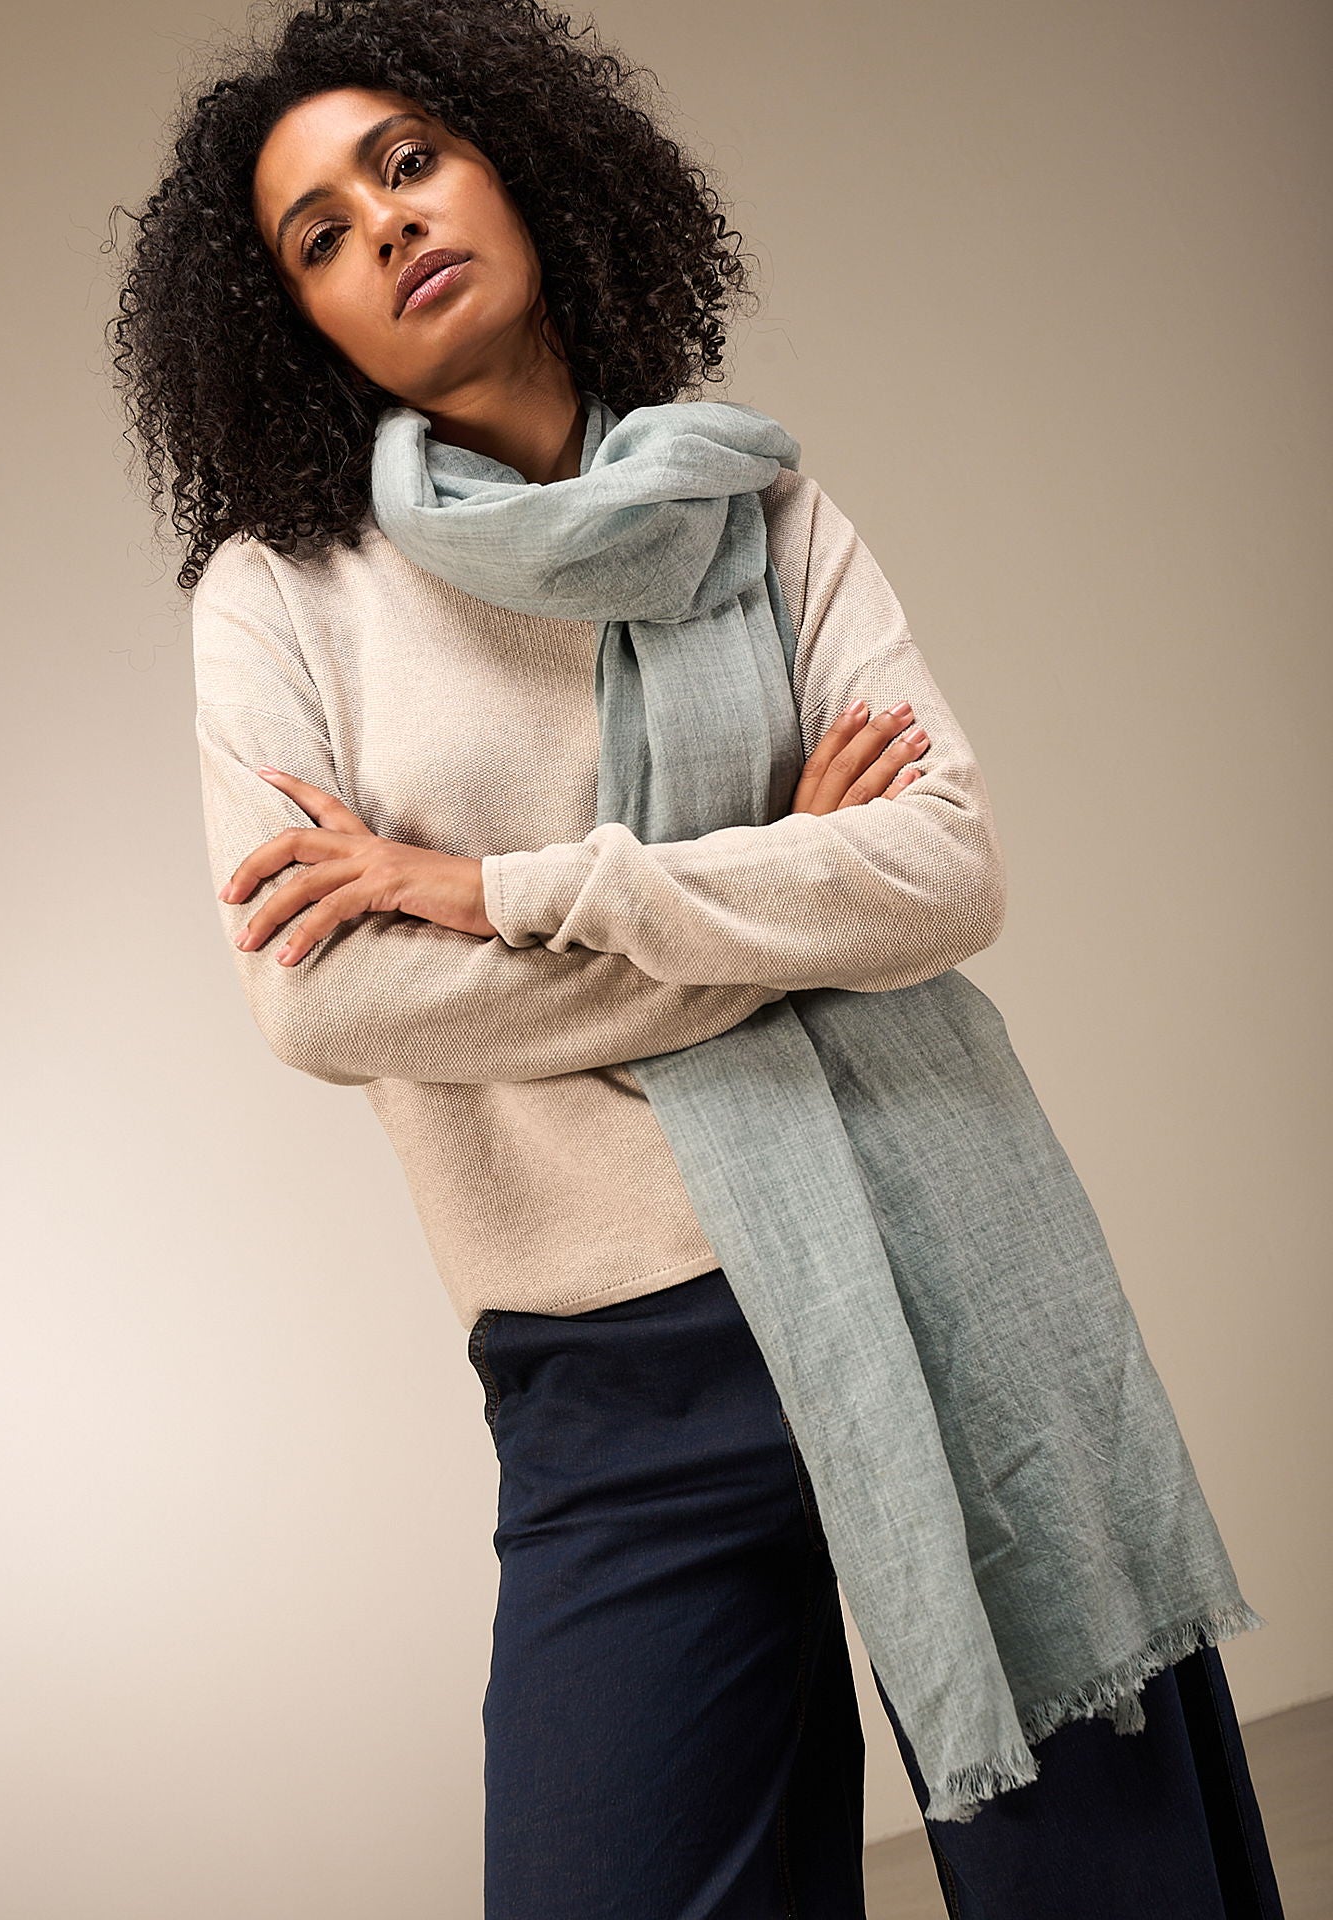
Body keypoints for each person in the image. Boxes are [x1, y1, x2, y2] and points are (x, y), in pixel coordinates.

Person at [109, 3, 1285, 1914]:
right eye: (318, 233)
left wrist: (490, 890)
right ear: (290, 320)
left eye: (408, 160)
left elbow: (946, 871)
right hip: (618, 1375)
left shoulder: (759, 506)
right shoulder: (282, 599)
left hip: (932, 1255)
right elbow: (328, 994)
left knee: (1109, 1879)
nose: (384, 222)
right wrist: (789, 897)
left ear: (517, 165)